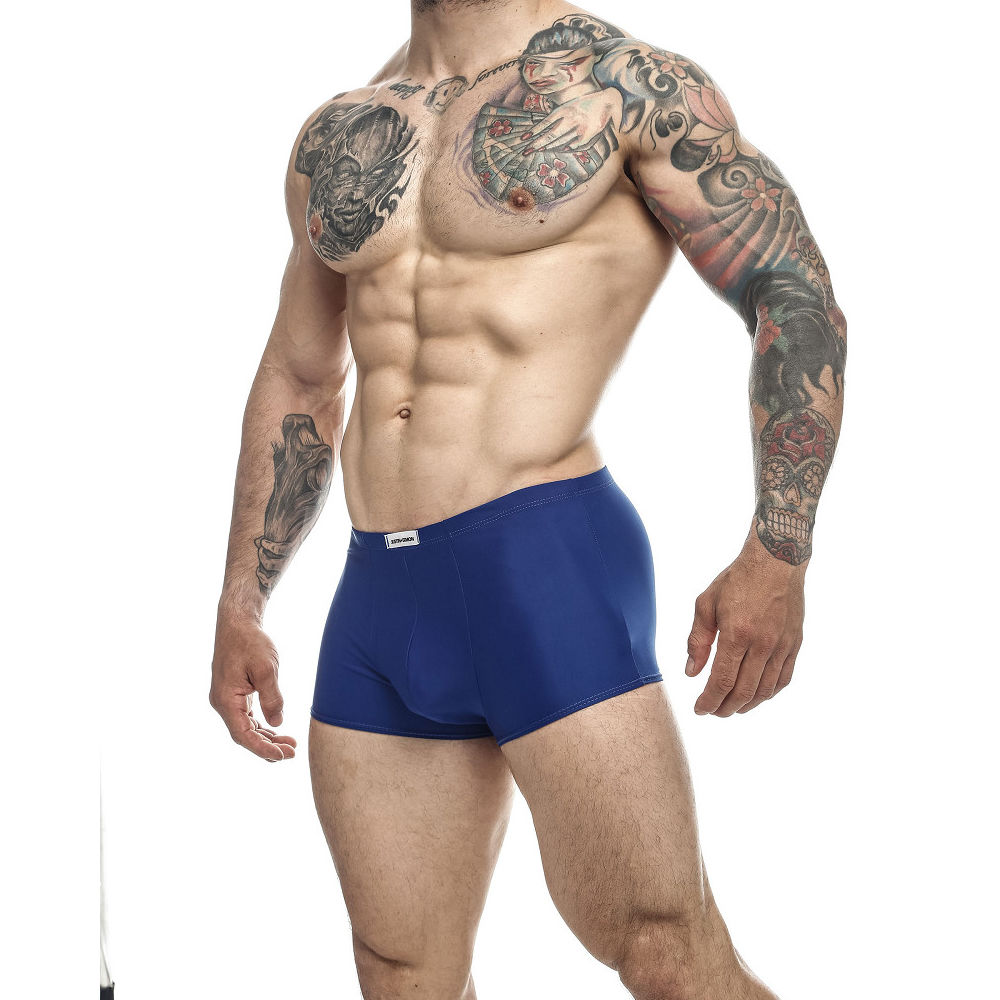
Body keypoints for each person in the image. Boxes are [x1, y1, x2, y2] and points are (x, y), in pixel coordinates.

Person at [209, 2, 847, 998]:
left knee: (665, 954)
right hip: (379, 593)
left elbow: (792, 296)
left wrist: (779, 548)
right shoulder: (343, 130)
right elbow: (301, 373)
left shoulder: (630, 88)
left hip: (541, 560)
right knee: (400, 970)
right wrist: (242, 601)